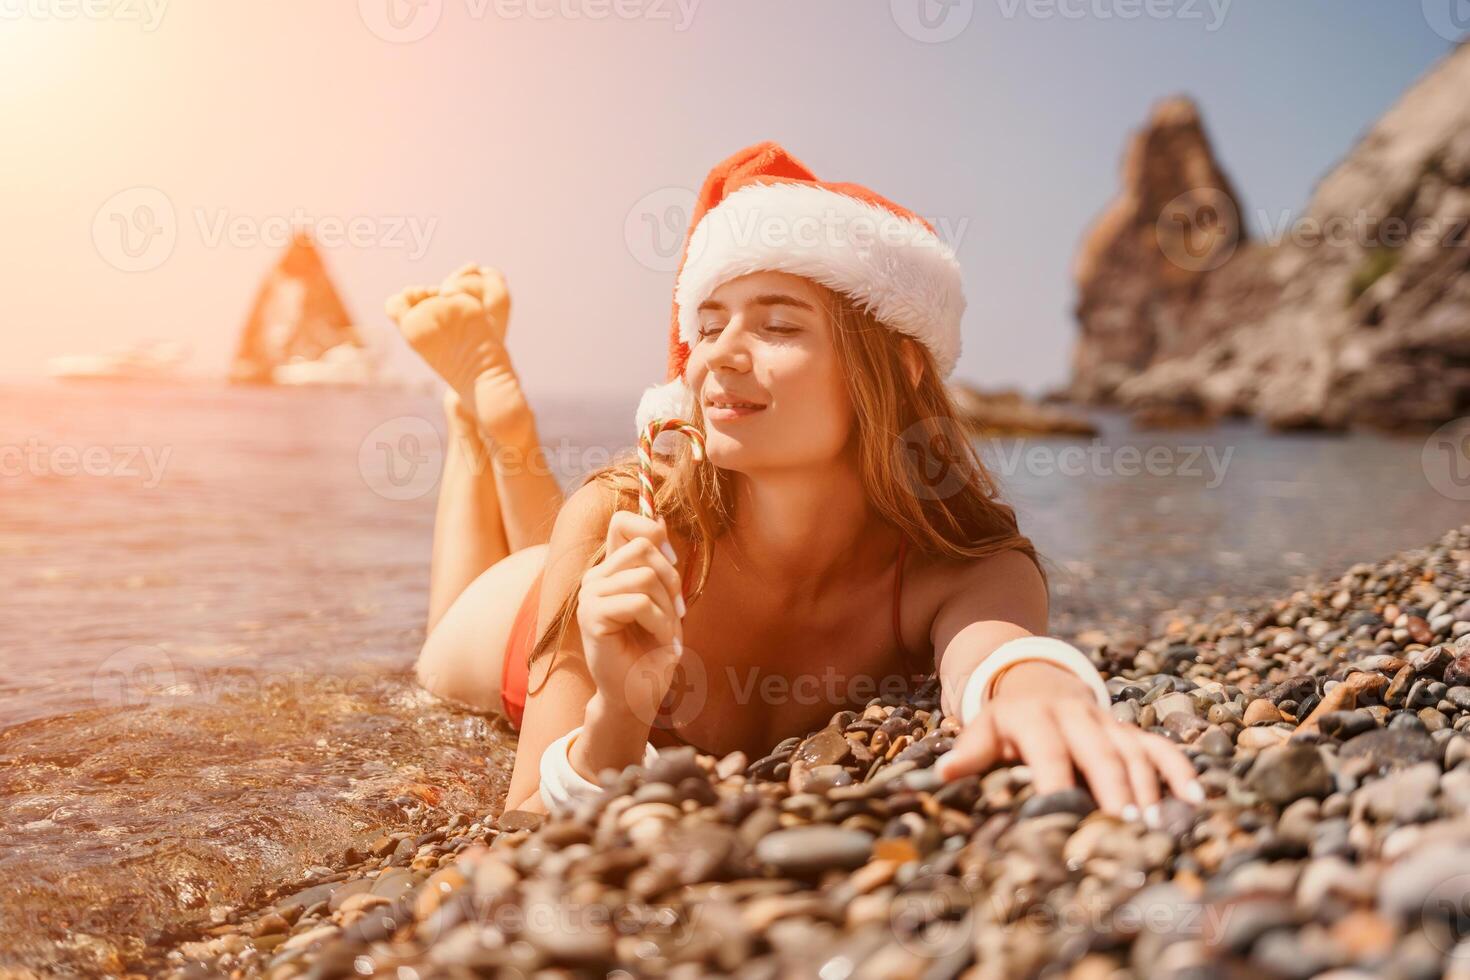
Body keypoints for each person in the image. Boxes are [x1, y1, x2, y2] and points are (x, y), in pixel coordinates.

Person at [386, 141, 1203, 821]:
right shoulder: (619, 515)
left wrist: (1043, 694)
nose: (719, 354)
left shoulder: (961, 563)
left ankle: (487, 426)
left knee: (576, 550)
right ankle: (481, 429)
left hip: (590, 573)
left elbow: (998, 655)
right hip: (517, 617)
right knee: (438, 646)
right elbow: (527, 809)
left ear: (901, 370)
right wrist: (614, 719)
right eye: (707, 325)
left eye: (778, 324)